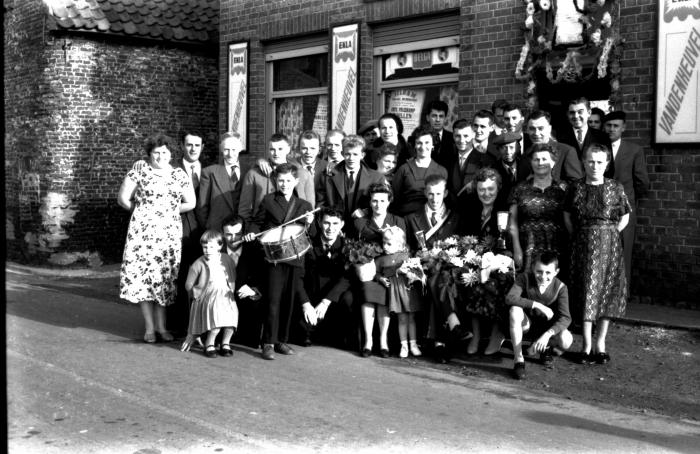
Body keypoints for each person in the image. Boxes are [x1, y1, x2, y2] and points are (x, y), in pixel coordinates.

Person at [118, 133, 196, 343]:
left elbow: (191, 203)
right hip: (143, 233)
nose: (161, 156)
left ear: (171, 154)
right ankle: (150, 328)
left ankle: (162, 326)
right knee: (144, 278)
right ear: (149, 154)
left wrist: (168, 211)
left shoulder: (179, 175)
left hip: (168, 234)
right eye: (156, 152)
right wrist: (143, 211)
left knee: (164, 278)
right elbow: (123, 199)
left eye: (165, 152)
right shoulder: (139, 171)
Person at [564, 144, 631, 365]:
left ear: (607, 163)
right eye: (591, 161)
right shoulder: (575, 187)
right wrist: (582, 234)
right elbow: (567, 215)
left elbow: (625, 216)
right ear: (584, 161)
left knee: (607, 294)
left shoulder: (615, 187)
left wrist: (609, 234)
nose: (595, 166)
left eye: (600, 162)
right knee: (586, 291)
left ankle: (600, 344)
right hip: (582, 244)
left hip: (610, 247)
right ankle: (586, 345)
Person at [243, 163, 316, 360]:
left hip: (295, 258)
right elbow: (257, 223)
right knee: (273, 301)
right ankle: (267, 342)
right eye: (280, 180)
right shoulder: (268, 201)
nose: (284, 184)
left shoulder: (304, 206)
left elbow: (312, 234)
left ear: (296, 181)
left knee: (288, 301)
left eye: (288, 180)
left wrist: (309, 223)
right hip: (273, 258)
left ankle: (281, 340)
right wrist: (251, 232)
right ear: (275, 181)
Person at [460, 168, 510, 355]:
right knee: (468, 279)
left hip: (501, 258)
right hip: (475, 258)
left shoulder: (504, 210)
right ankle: (476, 334)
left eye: (491, 189)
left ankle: (497, 333)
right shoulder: (471, 208)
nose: (486, 194)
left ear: (498, 188)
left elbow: (508, 240)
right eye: (482, 189)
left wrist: (495, 259)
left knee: (498, 280)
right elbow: (465, 238)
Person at [506, 251, 573, 380]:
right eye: (539, 271)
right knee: (514, 310)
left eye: (548, 273)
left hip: (547, 330)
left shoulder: (561, 287)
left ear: (556, 272)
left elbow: (566, 318)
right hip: (527, 326)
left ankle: (545, 348)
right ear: (532, 268)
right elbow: (510, 298)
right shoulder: (524, 278)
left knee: (566, 340)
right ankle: (518, 360)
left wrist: (548, 335)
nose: (543, 276)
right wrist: (538, 305)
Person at [604, 111, 650, 292]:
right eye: (609, 125)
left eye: (616, 126)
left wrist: (628, 200)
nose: (611, 129)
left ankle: (623, 293)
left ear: (624, 128)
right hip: (601, 208)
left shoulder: (633, 150)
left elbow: (642, 182)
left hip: (625, 209)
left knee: (624, 251)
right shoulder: (598, 147)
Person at [509, 143, 568, 274]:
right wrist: (517, 248)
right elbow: (512, 222)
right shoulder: (519, 188)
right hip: (527, 246)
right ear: (531, 163)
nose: (540, 163)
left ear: (553, 162)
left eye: (544, 159)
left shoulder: (564, 188)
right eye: (536, 159)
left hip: (556, 246)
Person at [180, 230, 239, 358]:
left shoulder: (226, 259)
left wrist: (232, 291)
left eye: (211, 246)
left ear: (220, 246)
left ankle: (225, 343)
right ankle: (210, 343)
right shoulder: (199, 263)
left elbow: (232, 276)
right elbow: (188, 285)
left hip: (225, 294)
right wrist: (196, 294)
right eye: (205, 247)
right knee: (216, 320)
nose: (207, 250)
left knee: (231, 319)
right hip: (208, 295)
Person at [300, 208, 354, 348]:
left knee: (349, 298)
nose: (331, 228)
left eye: (335, 223)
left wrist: (326, 301)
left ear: (342, 224)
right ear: (319, 223)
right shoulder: (307, 243)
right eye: (326, 223)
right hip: (312, 295)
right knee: (302, 336)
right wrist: (306, 304)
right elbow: (298, 277)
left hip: (332, 299)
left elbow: (346, 279)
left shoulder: (347, 246)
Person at [238, 133, 315, 226]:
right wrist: (250, 232)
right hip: (263, 230)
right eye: (272, 149)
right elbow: (244, 210)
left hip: (296, 230)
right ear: (268, 150)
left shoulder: (303, 174)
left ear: (288, 149)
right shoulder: (254, 174)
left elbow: (310, 208)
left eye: (280, 149)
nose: (276, 153)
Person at [317, 135, 385, 235]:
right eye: (347, 154)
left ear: (362, 155)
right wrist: (332, 224)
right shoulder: (328, 175)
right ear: (342, 154)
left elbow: (384, 204)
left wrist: (366, 211)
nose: (351, 158)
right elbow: (321, 203)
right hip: (335, 231)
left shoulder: (376, 178)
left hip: (364, 230)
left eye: (355, 154)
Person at [374, 226, 423, 358]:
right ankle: (404, 345)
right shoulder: (381, 260)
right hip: (396, 290)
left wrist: (413, 273)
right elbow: (377, 273)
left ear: (400, 244)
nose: (385, 246)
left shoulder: (406, 256)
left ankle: (413, 344)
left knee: (412, 317)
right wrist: (382, 279)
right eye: (384, 242)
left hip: (408, 289)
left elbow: (416, 269)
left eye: (389, 243)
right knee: (402, 318)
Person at [222, 215, 264, 349]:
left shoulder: (253, 250)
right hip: (221, 299)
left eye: (238, 234)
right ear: (222, 234)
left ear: (244, 233)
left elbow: (264, 276)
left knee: (256, 301)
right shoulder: (215, 250)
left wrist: (254, 289)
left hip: (244, 300)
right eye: (228, 234)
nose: (233, 238)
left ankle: (246, 338)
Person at [391, 125, 449, 217]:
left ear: (433, 145)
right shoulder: (404, 169)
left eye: (427, 142)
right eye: (419, 143)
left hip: (433, 220)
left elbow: (445, 201)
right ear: (414, 145)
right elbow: (395, 199)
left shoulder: (441, 171)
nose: (423, 146)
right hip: (407, 218)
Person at [521, 110, 584, 185]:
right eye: (532, 129)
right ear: (527, 130)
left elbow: (577, 183)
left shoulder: (566, 151)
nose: (536, 133)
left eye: (540, 128)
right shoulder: (526, 154)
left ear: (549, 129)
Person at [196, 133, 244, 231]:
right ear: (222, 150)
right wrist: (209, 228)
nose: (230, 154)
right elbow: (202, 206)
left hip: (242, 230)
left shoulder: (248, 171)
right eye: (226, 150)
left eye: (234, 149)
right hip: (217, 229)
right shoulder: (209, 172)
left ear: (239, 149)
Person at [446, 118, 496, 200]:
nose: (462, 140)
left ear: (473, 135)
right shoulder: (447, 160)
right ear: (453, 136)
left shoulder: (486, 161)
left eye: (466, 136)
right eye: (457, 136)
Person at [557, 98, 613, 170]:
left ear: (589, 113)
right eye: (572, 112)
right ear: (567, 114)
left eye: (580, 112)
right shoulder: (559, 137)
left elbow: (609, 167)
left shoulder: (602, 137)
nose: (576, 116)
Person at [409, 99, 455, 168]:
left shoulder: (452, 138)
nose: (438, 120)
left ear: (445, 118)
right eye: (434, 116)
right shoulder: (417, 137)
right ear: (427, 117)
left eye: (441, 116)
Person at [492, 131, 526, 207]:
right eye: (504, 148)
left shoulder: (527, 167)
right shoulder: (493, 170)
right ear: (498, 150)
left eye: (511, 147)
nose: (508, 152)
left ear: (518, 148)